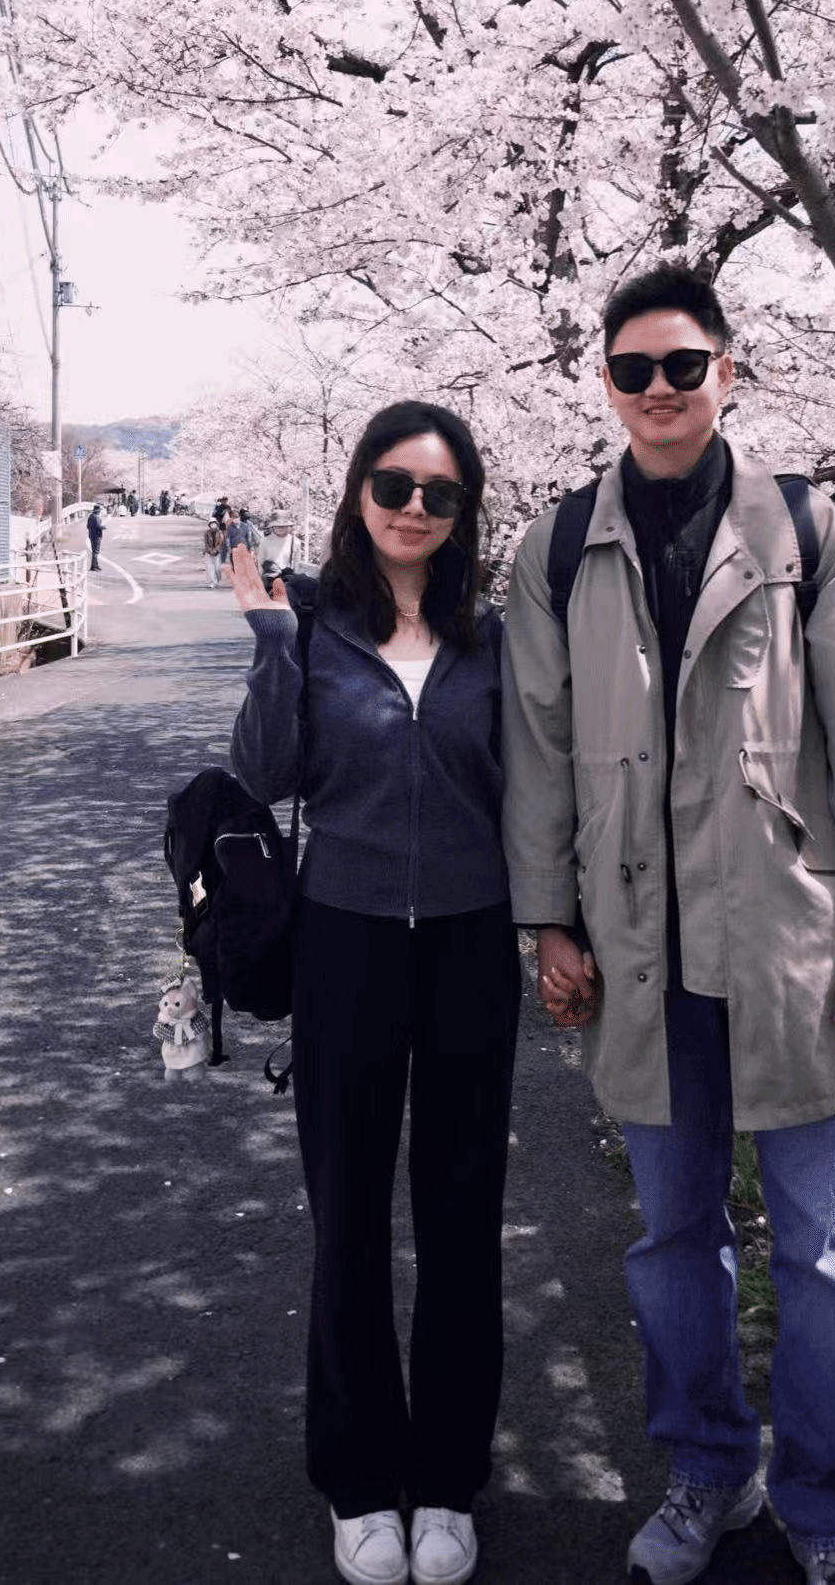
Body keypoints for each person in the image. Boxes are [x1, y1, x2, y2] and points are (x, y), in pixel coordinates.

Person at [501, 263, 835, 1585]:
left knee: (823, 1252)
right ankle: (706, 1468)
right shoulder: (559, 546)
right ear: (606, 385)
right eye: (633, 369)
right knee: (670, 1242)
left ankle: (827, 1510)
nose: (659, 389)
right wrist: (546, 919)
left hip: (793, 942)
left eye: (682, 365)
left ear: (725, 373)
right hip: (637, 950)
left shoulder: (803, 527)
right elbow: (538, 749)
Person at [228, 401, 519, 1585]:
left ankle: (447, 1476)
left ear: (463, 512)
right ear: (359, 491)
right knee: (346, 1212)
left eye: (439, 492)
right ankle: (357, 1475)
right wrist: (270, 639)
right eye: (394, 484)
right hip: (343, 942)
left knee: (461, 1215)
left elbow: (532, 787)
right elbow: (264, 770)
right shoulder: (314, 624)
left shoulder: (496, 639)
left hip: (469, 943)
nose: (413, 507)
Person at [202, 513, 225, 588]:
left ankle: (217, 580)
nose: (213, 525)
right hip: (209, 553)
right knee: (210, 567)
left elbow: (221, 543)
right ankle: (211, 581)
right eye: (211, 524)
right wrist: (209, 550)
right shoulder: (207, 533)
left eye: (214, 523)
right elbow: (206, 543)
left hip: (217, 553)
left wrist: (216, 550)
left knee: (217, 567)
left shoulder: (220, 533)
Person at [86, 504, 104, 572]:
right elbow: (98, 526)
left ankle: (95, 565)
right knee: (96, 552)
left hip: (91, 535)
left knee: (94, 551)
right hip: (97, 536)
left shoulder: (90, 516)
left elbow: (88, 526)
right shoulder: (97, 517)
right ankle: (94, 566)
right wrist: (103, 527)